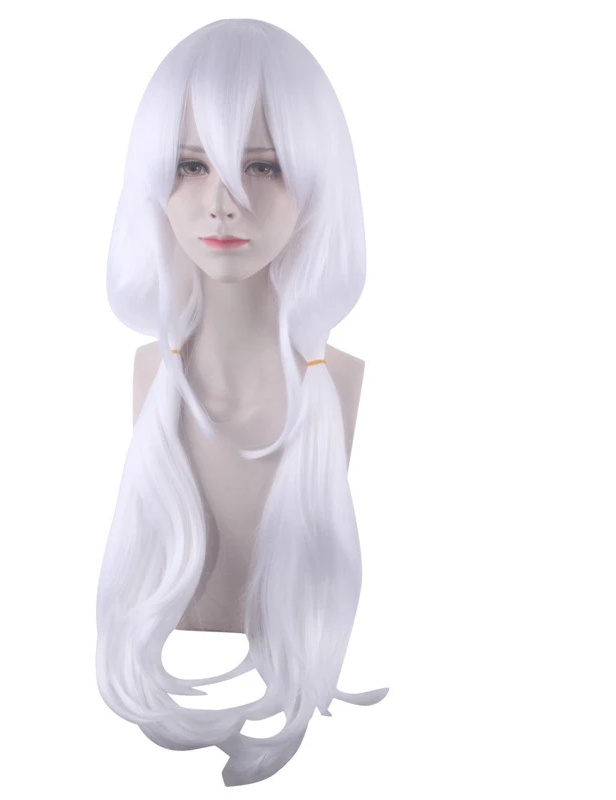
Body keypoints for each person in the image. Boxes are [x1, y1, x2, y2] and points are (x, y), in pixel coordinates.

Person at [96, 18, 389, 787]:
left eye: (262, 166)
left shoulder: (336, 384)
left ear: (318, 183)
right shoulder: (150, 376)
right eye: (190, 165)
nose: (223, 202)